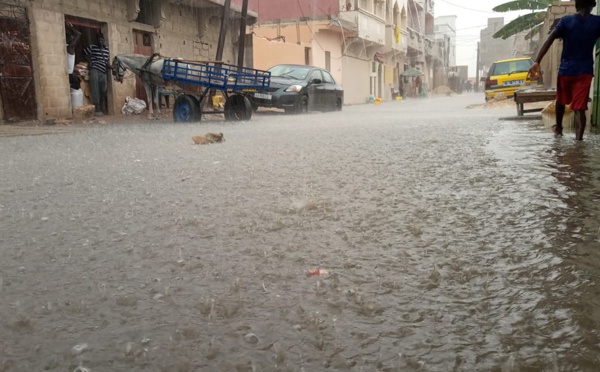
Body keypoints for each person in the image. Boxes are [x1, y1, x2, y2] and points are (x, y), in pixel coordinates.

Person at [528, 0, 600, 140]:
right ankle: (579, 142)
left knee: (561, 100)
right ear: (593, 5)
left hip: (566, 70)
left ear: (576, 5)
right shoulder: (597, 22)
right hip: (584, 71)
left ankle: (559, 129)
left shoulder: (566, 21)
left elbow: (550, 39)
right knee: (580, 108)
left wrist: (537, 61)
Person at [84, 32, 110, 116]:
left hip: (103, 71)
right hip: (94, 70)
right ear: (97, 40)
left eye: (101, 40)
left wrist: (111, 67)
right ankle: (97, 109)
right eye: (99, 40)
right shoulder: (92, 47)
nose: (100, 41)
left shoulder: (106, 50)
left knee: (103, 90)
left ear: (104, 40)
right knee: (95, 90)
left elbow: (106, 62)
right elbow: (84, 53)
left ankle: (102, 107)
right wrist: (89, 61)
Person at [66, 22, 81, 90]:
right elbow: (78, 34)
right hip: (69, 74)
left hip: (70, 74)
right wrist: (71, 28)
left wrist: (70, 27)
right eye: (71, 38)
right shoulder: (69, 47)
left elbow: (79, 34)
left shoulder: (70, 47)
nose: (73, 39)